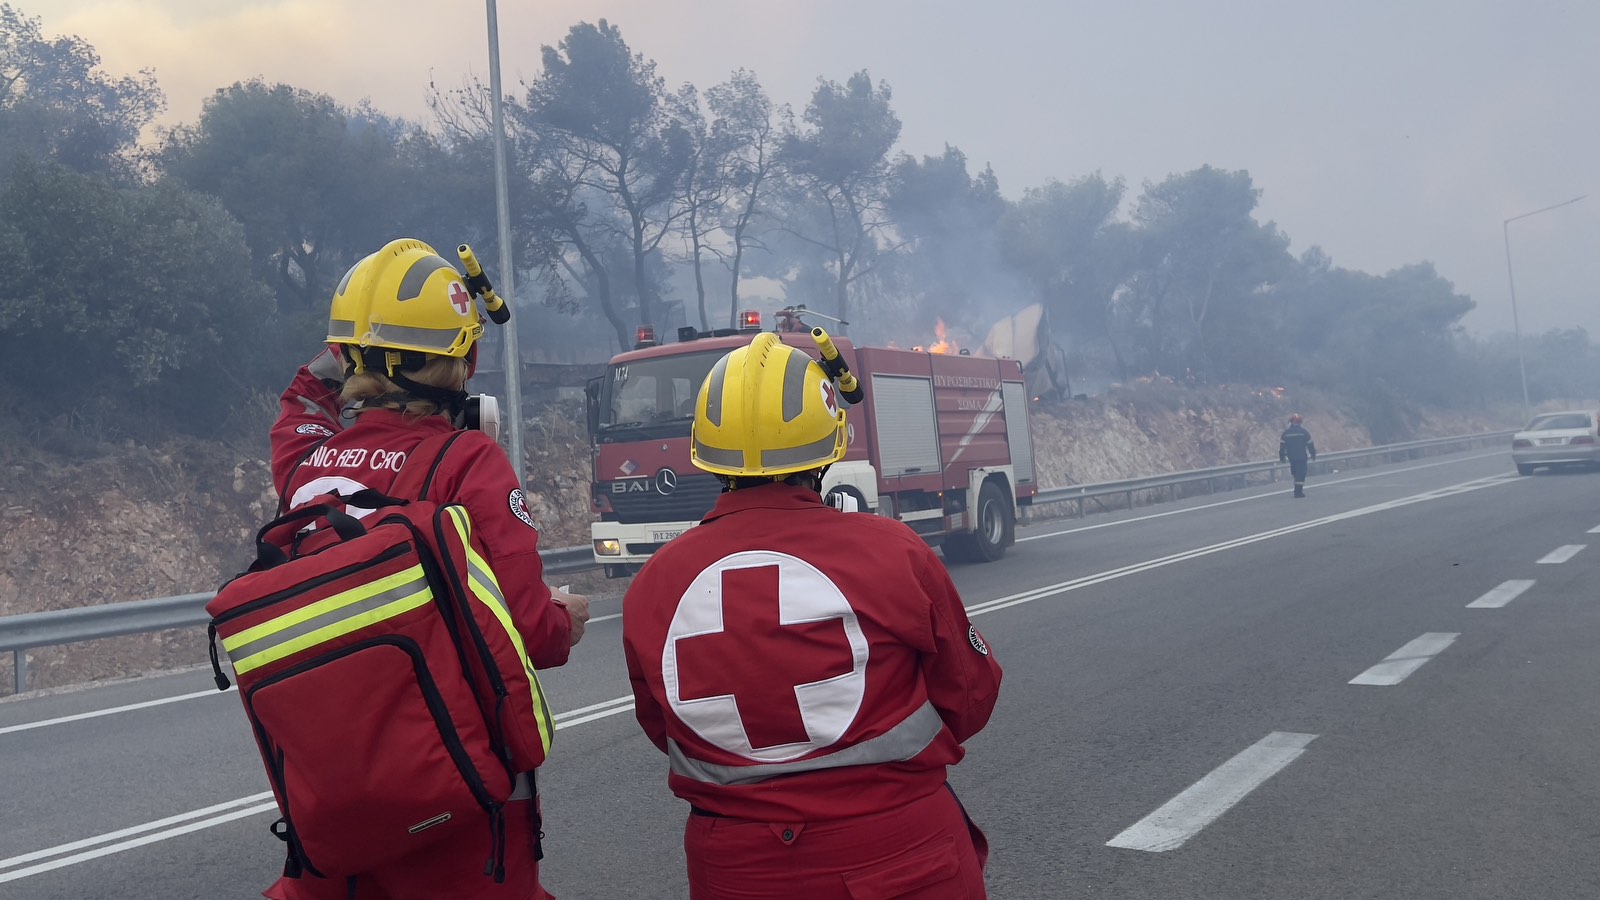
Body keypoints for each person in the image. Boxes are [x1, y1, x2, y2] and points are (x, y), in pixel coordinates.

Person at [621, 332, 1003, 899]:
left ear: (706, 452)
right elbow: (970, 699)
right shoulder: (893, 552)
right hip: (900, 861)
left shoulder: (655, 583)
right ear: (830, 445)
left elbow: (664, 729)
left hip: (736, 873)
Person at [265, 238, 589, 900]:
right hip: (455, 794)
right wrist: (564, 617)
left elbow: (301, 403)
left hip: (332, 799)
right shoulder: (467, 463)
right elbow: (530, 631)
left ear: (348, 358)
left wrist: (356, 342)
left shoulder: (306, 471)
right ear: (464, 361)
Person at [1279, 413, 1318, 498]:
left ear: (1291, 422)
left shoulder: (1286, 433)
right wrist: (1313, 454)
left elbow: (1282, 446)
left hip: (1291, 457)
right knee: (1301, 473)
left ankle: (1297, 490)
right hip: (1301, 457)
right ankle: (1298, 492)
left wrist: (1282, 456)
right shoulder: (1304, 432)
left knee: (1295, 473)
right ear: (1300, 422)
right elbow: (1310, 444)